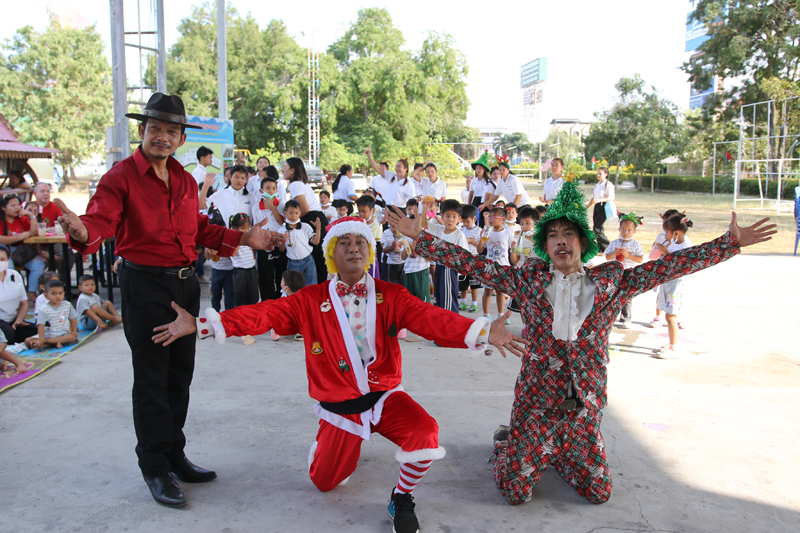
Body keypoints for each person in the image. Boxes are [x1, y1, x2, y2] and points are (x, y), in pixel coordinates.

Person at [386, 175, 776, 507]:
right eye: (553, 235)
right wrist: (422, 239)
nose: (561, 242)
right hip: (536, 405)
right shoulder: (530, 280)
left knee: (598, 493)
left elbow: (668, 266)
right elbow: (476, 265)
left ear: (582, 242)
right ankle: (511, 444)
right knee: (515, 492)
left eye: (568, 234)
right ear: (545, 245)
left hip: (583, 410)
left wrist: (729, 243)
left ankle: (557, 453)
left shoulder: (611, 282)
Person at [152, 215, 526, 533]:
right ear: (331, 253)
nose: (353, 248)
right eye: (343, 242)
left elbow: (433, 319)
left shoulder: (392, 295)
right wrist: (202, 323)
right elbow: (263, 314)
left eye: (360, 242)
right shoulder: (308, 299)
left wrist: (480, 330)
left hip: (384, 397)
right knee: (325, 483)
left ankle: (401, 497)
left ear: (370, 251)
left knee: (425, 432)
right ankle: (327, 448)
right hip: (340, 408)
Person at [54, 92, 284, 508]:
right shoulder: (120, 177)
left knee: (180, 376)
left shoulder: (182, 178)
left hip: (184, 285)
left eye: (170, 131)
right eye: (155, 128)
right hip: (145, 286)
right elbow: (100, 219)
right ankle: (154, 466)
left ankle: (175, 454)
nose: (162, 136)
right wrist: (84, 231)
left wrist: (244, 238)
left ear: (181, 138)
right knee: (152, 380)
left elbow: (197, 229)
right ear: (142, 131)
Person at [651, 214, 693, 358]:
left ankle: (674, 348)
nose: (665, 236)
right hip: (668, 282)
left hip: (676, 284)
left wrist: (666, 252)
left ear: (676, 233)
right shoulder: (672, 244)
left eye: (667, 233)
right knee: (668, 315)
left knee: (671, 316)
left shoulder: (686, 246)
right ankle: (671, 342)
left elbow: (679, 265)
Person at [284, 157, 329, 284]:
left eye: (285, 168)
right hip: (317, 219)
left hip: (312, 221)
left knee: (313, 262)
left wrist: (292, 223)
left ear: (292, 170)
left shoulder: (295, 185)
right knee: (319, 262)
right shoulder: (302, 183)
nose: (283, 170)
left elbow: (303, 209)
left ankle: (314, 293)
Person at [0, 195, 46, 301]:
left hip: (22, 252)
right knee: (8, 270)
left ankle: (31, 293)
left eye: (18, 205)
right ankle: (9, 296)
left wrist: (31, 216)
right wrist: (20, 237)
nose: (17, 208)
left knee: (39, 264)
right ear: (3, 207)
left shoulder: (22, 219)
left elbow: (34, 233)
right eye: (13, 205)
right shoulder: (1, 220)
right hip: (4, 252)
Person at [476, 206, 516, 323]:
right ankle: (486, 314)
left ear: (502, 219)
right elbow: (479, 250)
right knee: (488, 291)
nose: (491, 219)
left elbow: (512, 249)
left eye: (494, 217)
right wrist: (481, 238)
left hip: (503, 266)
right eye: (490, 217)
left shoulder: (508, 233)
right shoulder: (487, 232)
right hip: (489, 266)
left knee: (500, 292)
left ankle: (501, 315)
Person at [604, 213, 644, 329]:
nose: (626, 232)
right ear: (619, 229)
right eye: (623, 229)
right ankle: (611, 316)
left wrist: (628, 255)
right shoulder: (614, 243)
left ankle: (626, 318)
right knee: (613, 295)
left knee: (627, 296)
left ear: (634, 231)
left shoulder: (635, 244)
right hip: (615, 273)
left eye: (629, 230)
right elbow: (607, 257)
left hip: (628, 273)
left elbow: (640, 259)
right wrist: (613, 253)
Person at [252, 176, 286, 301]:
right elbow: (256, 227)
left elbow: (282, 222)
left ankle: (281, 301)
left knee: (281, 275)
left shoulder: (281, 204)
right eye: (267, 188)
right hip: (264, 245)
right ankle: (267, 302)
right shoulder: (256, 208)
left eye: (273, 188)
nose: (271, 191)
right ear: (261, 191)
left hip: (280, 244)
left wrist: (272, 207)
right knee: (265, 277)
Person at [647, 209, 682, 328]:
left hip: (674, 273)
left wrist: (666, 251)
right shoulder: (662, 236)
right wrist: (658, 248)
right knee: (661, 292)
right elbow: (654, 253)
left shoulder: (682, 239)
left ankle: (674, 316)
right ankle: (659, 316)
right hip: (662, 269)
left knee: (675, 294)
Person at [0, 244, 37, 346]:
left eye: (2, 259)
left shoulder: (15, 275)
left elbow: (23, 303)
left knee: (38, 329)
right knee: (9, 335)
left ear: (8, 260)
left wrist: (19, 320)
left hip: (14, 320)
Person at [24, 278, 78, 349]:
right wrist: (41, 339)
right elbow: (41, 325)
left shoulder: (67, 305)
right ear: (46, 296)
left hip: (62, 334)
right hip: (47, 334)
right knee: (27, 341)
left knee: (72, 338)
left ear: (64, 293)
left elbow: (73, 319)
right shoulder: (43, 309)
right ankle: (52, 343)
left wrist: (74, 332)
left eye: (60, 293)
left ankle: (46, 343)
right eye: (54, 294)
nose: (57, 296)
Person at [278, 200, 322, 286]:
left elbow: (316, 242)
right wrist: (283, 240)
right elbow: (281, 249)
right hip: (293, 262)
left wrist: (318, 229)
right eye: (290, 213)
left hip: (308, 260)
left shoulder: (305, 227)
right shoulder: (282, 229)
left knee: (311, 286)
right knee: (295, 287)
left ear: (300, 213)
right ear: (285, 213)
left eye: (296, 213)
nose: (293, 216)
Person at [365, 148, 415, 213]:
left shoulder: (409, 183)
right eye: (396, 166)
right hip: (388, 208)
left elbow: (412, 200)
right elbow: (378, 169)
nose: (397, 168)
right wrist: (369, 156)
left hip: (399, 211)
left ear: (406, 169)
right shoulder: (391, 176)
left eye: (399, 166)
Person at [400, 199, 430, 304]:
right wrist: (408, 248)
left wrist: (419, 248)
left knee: (423, 302)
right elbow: (402, 257)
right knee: (410, 301)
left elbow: (430, 258)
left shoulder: (426, 239)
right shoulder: (406, 238)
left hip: (421, 271)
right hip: (409, 272)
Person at [229, 213, 260, 309]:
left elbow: (251, 251)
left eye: (248, 228)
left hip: (251, 270)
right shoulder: (233, 239)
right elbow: (232, 253)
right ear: (235, 228)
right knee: (241, 296)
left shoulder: (249, 238)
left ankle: (252, 313)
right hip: (240, 272)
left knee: (253, 295)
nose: (246, 231)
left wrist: (254, 262)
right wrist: (239, 240)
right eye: (243, 229)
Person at [271, 269, 306, 342]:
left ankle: (299, 332)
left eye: (282, 281)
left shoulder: (297, 299)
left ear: (286, 288)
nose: (280, 282)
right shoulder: (285, 294)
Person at [586, 167, 615, 253]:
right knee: (597, 228)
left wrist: (600, 200)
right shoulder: (597, 185)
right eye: (597, 173)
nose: (598, 175)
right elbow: (593, 198)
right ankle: (601, 248)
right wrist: (586, 207)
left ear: (606, 174)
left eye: (600, 173)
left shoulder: (608, 184)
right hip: (597, 207)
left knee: (597, 228)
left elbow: (611, 197)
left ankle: (609, 245)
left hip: (603, 206)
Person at [458, 205, 481, 312]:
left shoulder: (479, 231)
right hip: (463, 260)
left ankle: (474, 303)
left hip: (474, 260)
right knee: (463, 282)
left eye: (468, 221)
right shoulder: (461, 230)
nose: (465, 224)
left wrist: (471, 240)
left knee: (474, 283)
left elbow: (481, 246)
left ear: (474, 219)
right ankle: (463, 302)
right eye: (464, 221)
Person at [356, 195, 382, 280]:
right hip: (359, 257)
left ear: (373, 210)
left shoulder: (374, 226)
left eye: (364, 211)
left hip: (369, 258)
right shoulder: (357, 224)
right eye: (359, 211)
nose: (361, 214)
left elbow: (371, 242)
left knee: (370, 279)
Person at [469, 152, 496, 227]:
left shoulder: (489, 181)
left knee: (484, 222)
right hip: (476, 201)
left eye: (480, 168)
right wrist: (469, 204)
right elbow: (471, 194)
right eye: (477, 168)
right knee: (475, 221)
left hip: (485, 202)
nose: (478, 170)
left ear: (484, 169)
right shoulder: (473, 181)